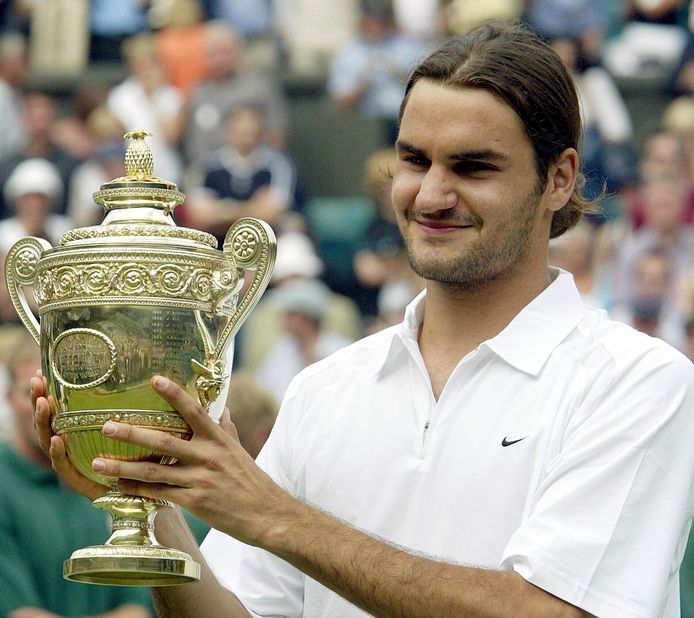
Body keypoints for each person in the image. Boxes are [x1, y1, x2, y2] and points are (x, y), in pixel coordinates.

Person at [33, 22, 694, 617]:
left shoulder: (638, 382)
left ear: (558, 178)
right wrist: (155, 505)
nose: (431, 193)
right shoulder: (325, 390)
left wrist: (273, 515)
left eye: (473, 166)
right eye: (414, 160)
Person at [0, 334, 153, 617]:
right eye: (29, 394)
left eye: (57, 393)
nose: (44, 407)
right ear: (8, 398)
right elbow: (18, 613)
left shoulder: (102, 473)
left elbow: (137, 606)